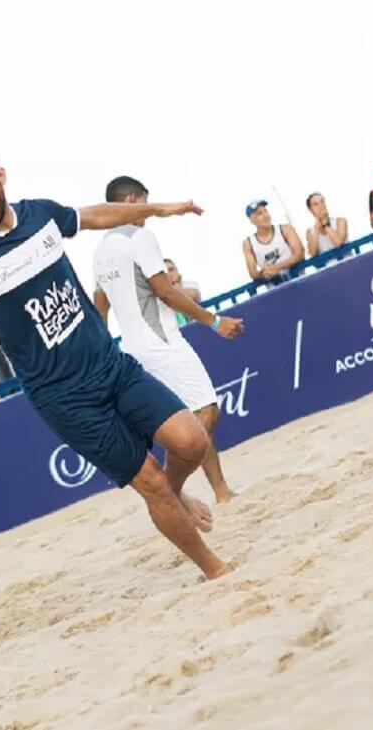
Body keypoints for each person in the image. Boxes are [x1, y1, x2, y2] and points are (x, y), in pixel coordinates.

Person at [0, 145, 232, 581]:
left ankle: (176, 496)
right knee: (152, 483)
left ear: (0, 176)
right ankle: (214, 569)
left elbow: (96, 215)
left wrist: (158, 209)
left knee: (192, 442)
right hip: (65, 398)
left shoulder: (40, 217)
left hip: (110, 365)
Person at [92, 175, 243, 505]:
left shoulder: (101, 251)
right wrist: (214, 321)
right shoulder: (140, 236)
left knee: (191, 417)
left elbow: (99, 310)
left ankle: (220, 491)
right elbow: (165, 291)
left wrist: (105, 355)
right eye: (145, 202)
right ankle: (170, 491)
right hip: (160, 340)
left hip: (131, 350)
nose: (147, 211)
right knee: (206, 411)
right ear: (132, 201)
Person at [241, 200, 304, 284]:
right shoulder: (248, 243)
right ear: (252, 220)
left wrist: (276, 268)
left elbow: (299, 254)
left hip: (299, 280)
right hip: (276, 289)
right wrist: (263, 274)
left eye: (265, 211)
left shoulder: (285, 229)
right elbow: (253, 273)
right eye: (259, 214)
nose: (265, 216)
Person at [304, 193, 349, 258]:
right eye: (316, 204)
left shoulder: (340, 221)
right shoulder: (309, 232)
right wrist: (316, 228)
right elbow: (313, 253)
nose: (321, 206)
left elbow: (338, 243)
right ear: (310, 210)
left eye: (322, 202)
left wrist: (324, 223)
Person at [163, 259, 201, 328]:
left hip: (194, 328)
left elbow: (195, 296)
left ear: (177, 271)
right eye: (164, 272)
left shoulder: (189, 284)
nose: (169, 274)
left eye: (171, 270)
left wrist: (176, 285)